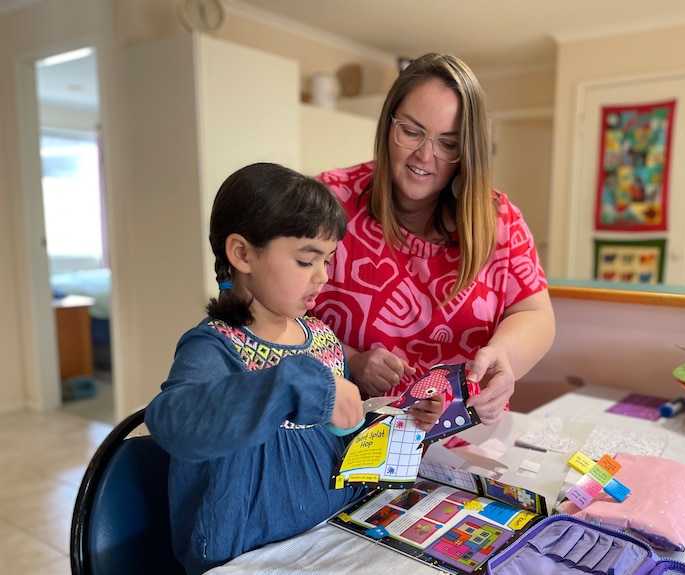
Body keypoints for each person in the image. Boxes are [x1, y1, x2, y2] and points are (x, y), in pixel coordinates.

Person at [144, 162, 442, 575]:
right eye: (307, 260)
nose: (323, 276)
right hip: (250, 558)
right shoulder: (215, 347)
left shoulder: (321, 337)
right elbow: (171, 421)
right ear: (242, 253)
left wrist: (402, 422)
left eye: (328, 259)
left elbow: (340, 440)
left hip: (332, 536)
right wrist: (301, 386)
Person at [314, 53, 555, 425]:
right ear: (387, 125)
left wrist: (505, 358)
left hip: (461, 438)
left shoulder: (499, 220)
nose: (425, 156)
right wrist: (347, 359)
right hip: (347, 433)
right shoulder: (329, 201)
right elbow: (273, 312)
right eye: (411, 132)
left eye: (447, 143)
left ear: (467, 152)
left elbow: (534, 314)